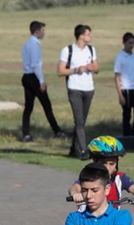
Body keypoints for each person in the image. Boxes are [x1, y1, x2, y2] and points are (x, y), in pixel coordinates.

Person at [69, 136, 134, 205]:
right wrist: (75, 194)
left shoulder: (120, 178)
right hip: (88, 219)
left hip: (112, 220)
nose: (107, 168)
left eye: (112, 164)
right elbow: (75, 187)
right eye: (104, 163)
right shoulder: (89, 176)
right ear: (94, 160)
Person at [58, 24, 99, 160]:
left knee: (81, 121)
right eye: (88, 34)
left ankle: (73, 149)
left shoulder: (91, 50)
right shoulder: (68, 50)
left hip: (89, 89)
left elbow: (97, 68)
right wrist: (76, 70)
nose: (90, 36)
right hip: (74, 88)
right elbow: (60, 71)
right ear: (81, 35)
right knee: (79, 121)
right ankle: (83, 150)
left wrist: (92, 67)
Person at [21, 21, 66, 143]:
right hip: (34, 77)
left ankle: (26, 133)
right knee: (46, 105)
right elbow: (36, 65)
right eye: (42, 30)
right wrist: (41, 81)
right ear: (37, 31)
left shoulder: (26, 44)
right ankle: (57, 131)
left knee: (28, 107)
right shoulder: (34, 45)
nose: (44, 33)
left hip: (26, 76)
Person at [114, 32, 134, 137]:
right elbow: (117, 76)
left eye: (133, 43)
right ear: (124, 43)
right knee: (127, 114)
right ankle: (127, 136)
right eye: (130, 43)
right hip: (126, 88)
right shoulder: (120, 57)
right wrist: (120, 95)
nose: (132, 45)